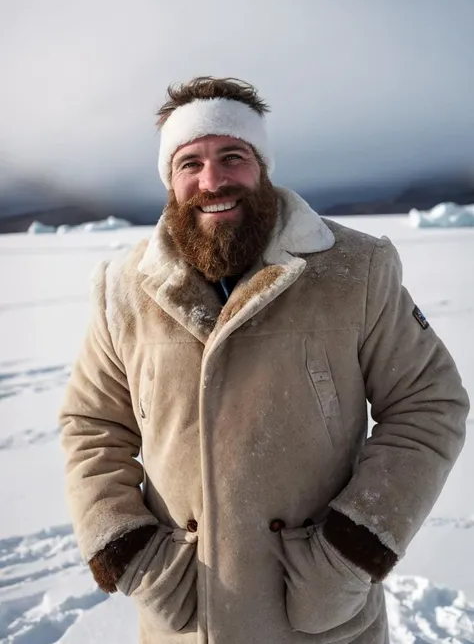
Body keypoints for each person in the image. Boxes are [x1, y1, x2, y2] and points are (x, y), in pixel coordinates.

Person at [59, 77, 470, 644]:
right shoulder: (124, 290)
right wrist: (126, 548)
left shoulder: (354, 269)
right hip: (181, 618)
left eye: (233, 156)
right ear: (170, 179)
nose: (212, 180)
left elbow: (429, 402)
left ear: (262, 166)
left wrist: (352, 548)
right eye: (190, 163)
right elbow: (91, 425)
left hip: (320, 618)